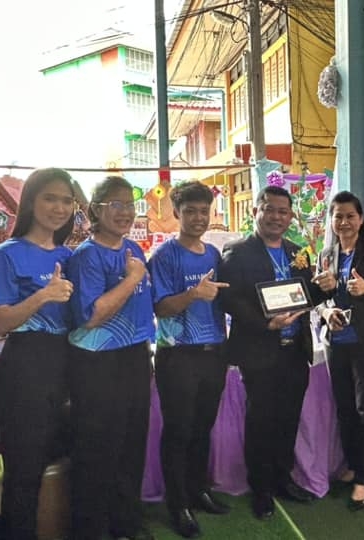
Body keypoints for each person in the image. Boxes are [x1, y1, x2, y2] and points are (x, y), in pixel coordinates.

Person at [218, 185, 329, 520]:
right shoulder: (237, 251)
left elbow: (305, 297)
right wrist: (265, 323)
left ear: (291, 216)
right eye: (269, 209)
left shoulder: (299, 252)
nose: (276, 217)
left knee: (288, 418)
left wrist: (325, 289)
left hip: (295, 351)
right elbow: (230, 299)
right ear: (256, 211)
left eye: (283, 211)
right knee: (261, 421)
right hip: (259, 350)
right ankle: (262, 489)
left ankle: (283, 478)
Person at [0, 167, 76, 540]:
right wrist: (43, 296)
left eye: (66, 200)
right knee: (24, 471)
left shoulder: (71, 255)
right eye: (49, 198)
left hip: (69, 365)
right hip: (26, 370)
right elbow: (0, 322)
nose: (59, 207)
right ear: (31, 203)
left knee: (64, 458)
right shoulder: (7, 255)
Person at [65, 176, 154, 540]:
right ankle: (94, 530)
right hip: (98, 363)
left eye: (130, 205)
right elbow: (91, 315)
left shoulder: (134, 249)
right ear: (94, 211)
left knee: (132, 445)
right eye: (115, 204)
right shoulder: (86, 256)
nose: (125, 212)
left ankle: (126, 523)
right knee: (98, 449)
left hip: (135, 357)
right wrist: (131, 280)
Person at [150, 181, 231, 538]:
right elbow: (160, 307)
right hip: (178, 355)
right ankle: (178, 504)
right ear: (176, 213)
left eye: (204, 211)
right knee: (178, 431)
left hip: (214, 353)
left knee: (202, 428)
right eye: (190, 211)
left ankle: (199, 490)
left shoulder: (213, 254)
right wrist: (194, 294)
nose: (199, 218)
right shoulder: (164, 256)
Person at [313, 191, 364, 511]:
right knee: (345, 407)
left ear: (361, 219)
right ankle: (352, 462)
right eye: (338, 216)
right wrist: (326, 311)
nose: (344, 222)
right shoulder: (326, 253)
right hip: (336, 343)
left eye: (350, 216)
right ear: (331, 221)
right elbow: (317, 298)